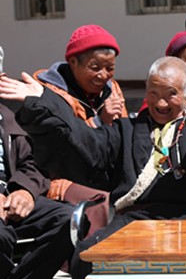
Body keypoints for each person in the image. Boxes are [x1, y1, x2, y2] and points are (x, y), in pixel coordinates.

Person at [3, 57, 186, 279]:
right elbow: (83, 142)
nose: (161, 103)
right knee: (88, 257)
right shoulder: (126, 130)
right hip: (133, 223)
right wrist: (43, 103)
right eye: (153, 93)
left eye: (171, 94)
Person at [31, 25, 127, 230]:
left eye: (110, 68)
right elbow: (66, 146)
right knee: (102, 207)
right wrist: (100, 121)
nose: (103, 75)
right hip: (61, 181)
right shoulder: (49, 95)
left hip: (106, 174)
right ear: (73, 62)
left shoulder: (112, 89)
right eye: (95, 67)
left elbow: (125, 136)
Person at [0, 101, 74, 279]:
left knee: (67, 221)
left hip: (9, 195)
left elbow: (32, 164)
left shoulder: (7, 117)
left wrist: (24, 191)